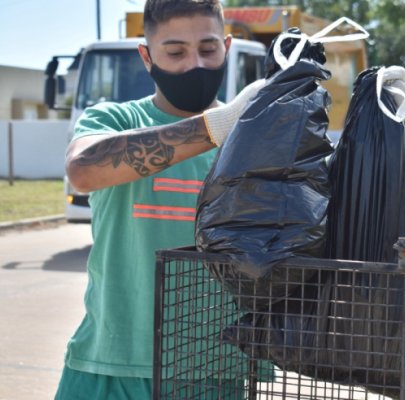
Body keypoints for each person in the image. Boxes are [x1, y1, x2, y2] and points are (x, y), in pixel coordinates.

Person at [54, 0, 265, 398]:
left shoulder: (255, 139)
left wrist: (378, 124)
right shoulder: (114, 120)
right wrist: (217, 126)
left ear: (228, 47)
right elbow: (83, 170)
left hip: (213, 369)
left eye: (207, 49)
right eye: (175, 52)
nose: (194, 65)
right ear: (147, 57)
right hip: (110, 362)